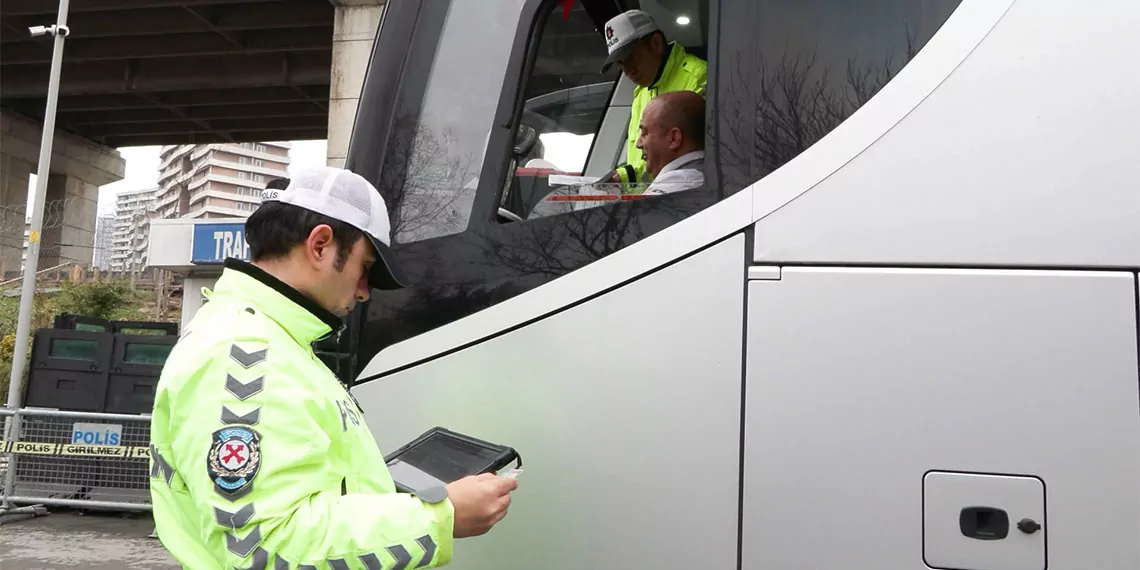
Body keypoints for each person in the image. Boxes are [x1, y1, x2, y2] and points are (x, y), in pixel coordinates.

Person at [148, 165, 519, 570]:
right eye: (366, 268)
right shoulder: (245, 356)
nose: (364, 292)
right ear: (321, 244)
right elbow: (263, 546)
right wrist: (439, 517)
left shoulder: (273, 344)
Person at [600, 9, 707, 189]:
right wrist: (625, 177)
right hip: (648, 205)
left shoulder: (700, 77)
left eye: (630, 58)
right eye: (620, 63)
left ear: (656, 43)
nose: (627, 70)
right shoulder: (640, 94)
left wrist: (628, 175)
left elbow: (699, 157)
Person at [636, 91, 706, 195]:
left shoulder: (672, 188)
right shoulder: (712, 176)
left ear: (674, 138)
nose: (638, 144)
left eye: (645, 133)